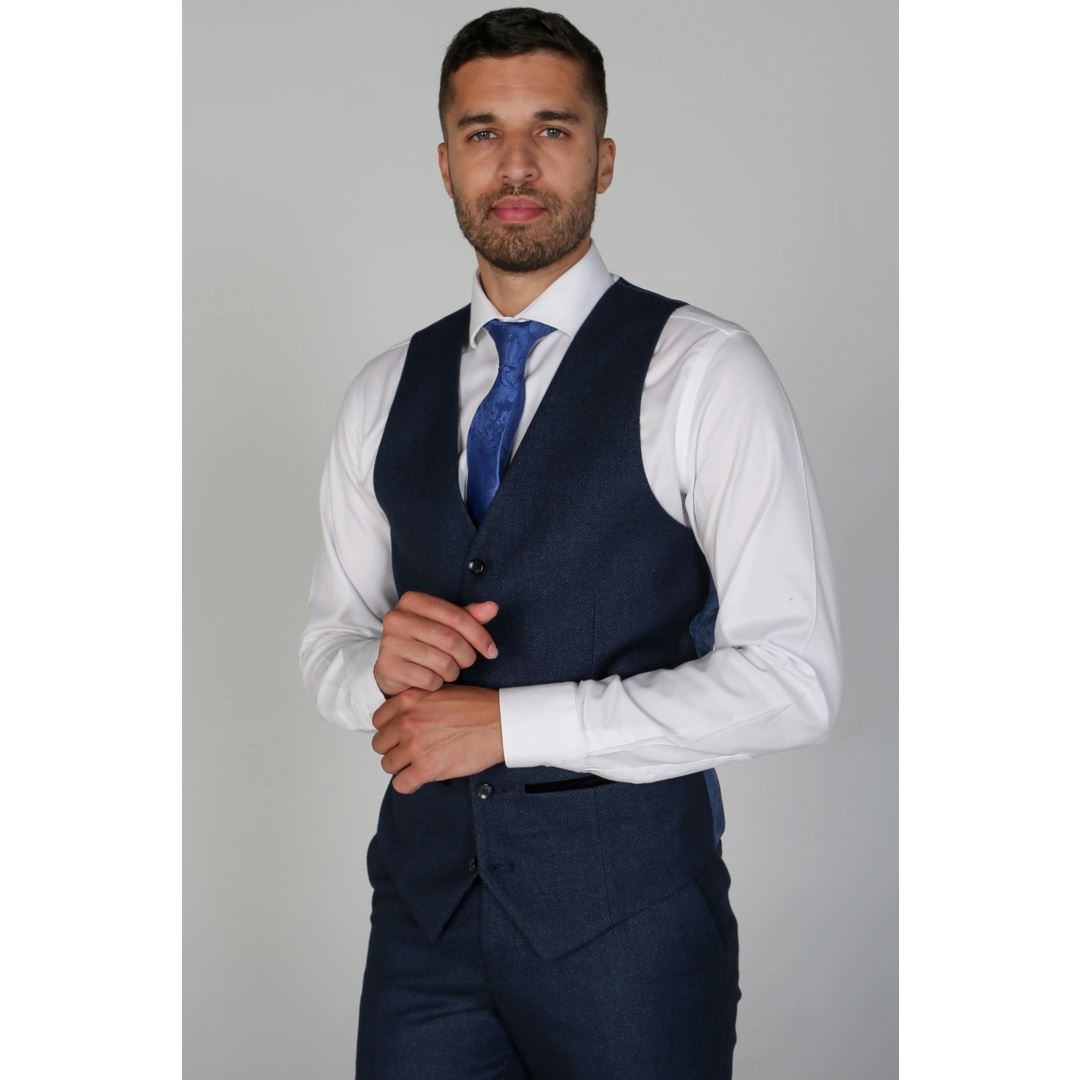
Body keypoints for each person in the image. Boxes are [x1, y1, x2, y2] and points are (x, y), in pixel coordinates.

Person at [299, 8, 842, 1077]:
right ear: (445, 163)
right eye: (482, 132)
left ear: (603, 158)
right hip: (421, 934)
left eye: (551, 130)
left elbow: (796, 682)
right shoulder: (382, 390)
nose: (516, 165)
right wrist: (378, 670)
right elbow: (329, 649)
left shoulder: (705, 371)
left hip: (632, 939)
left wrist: (508, 726)